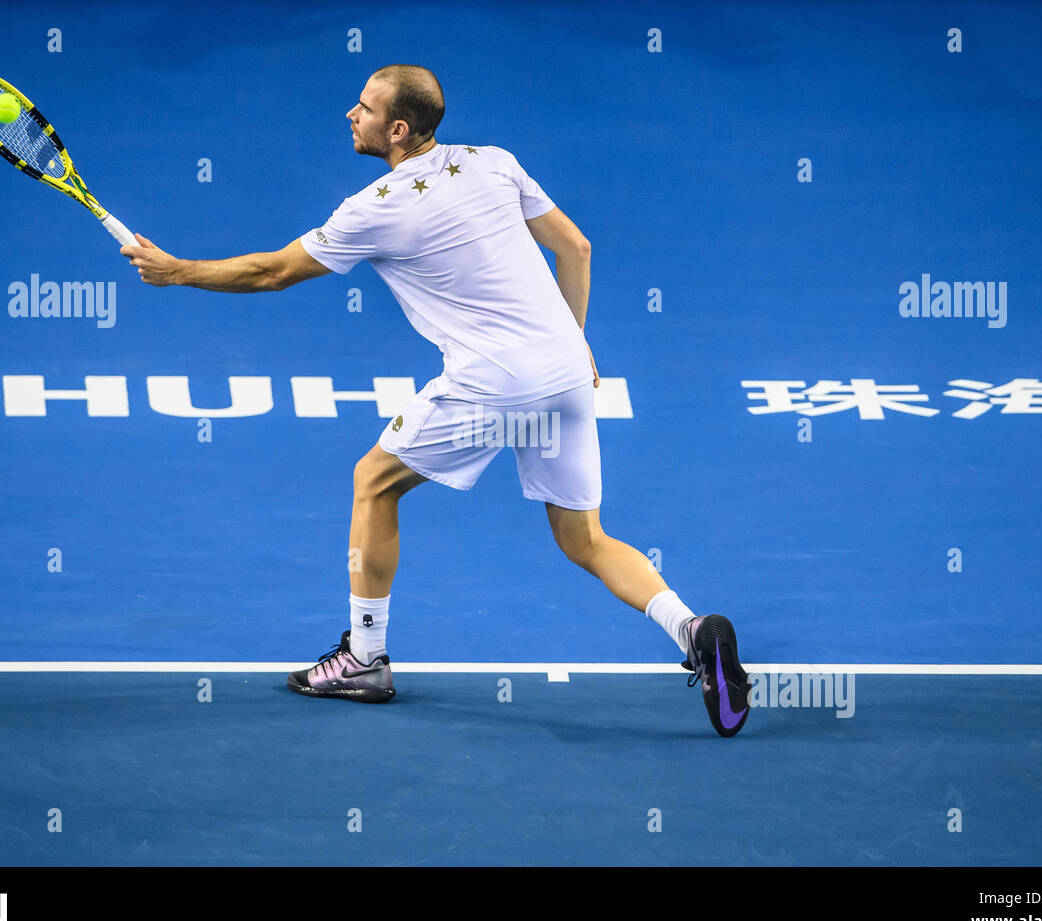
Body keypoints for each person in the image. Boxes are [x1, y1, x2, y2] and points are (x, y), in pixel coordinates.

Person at [121, 64, 750, 737]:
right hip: (567, 372)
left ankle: (364, 658)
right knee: (585, 537)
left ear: (397, 129)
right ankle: (691, 628)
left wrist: (176, 272)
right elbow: (577, 248)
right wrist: (575, 339)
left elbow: (271, 272)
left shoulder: (376, 208)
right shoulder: (495, 162)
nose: (348, 115)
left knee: (374, 482)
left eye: (362, 109)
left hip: (493, 383)